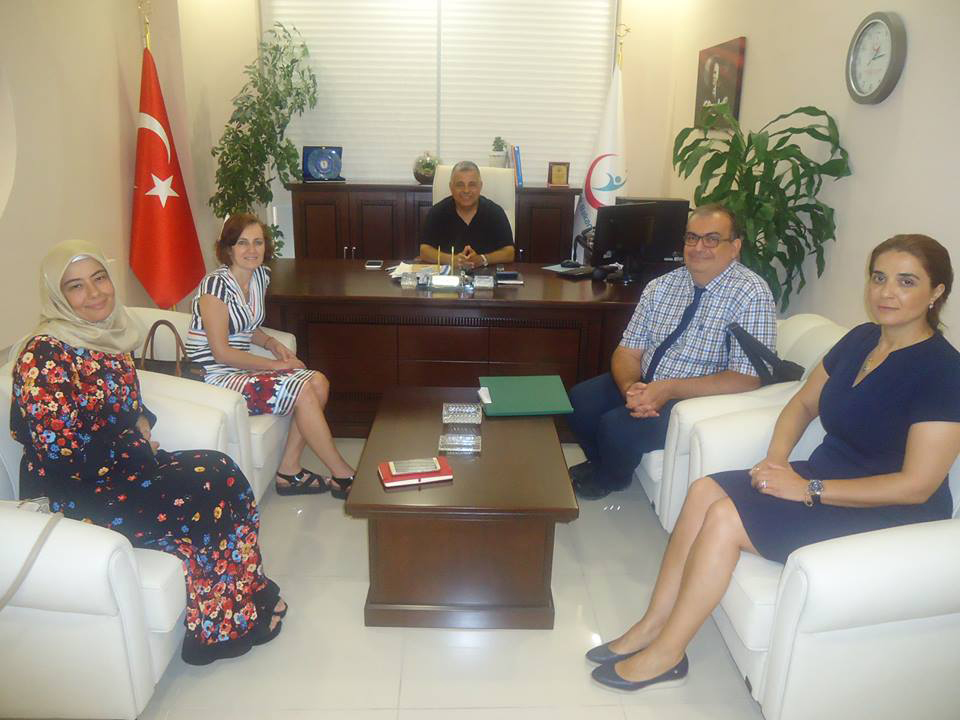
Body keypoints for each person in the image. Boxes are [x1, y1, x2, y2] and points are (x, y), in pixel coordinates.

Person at [587, 234, 960, 692]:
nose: (886, 292)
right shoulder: (862, 339)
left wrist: (807, 489)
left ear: (936, 292)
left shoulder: (943, 371)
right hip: (825, 477)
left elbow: (917, 485)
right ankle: (652, 624)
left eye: (906, 282)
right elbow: (801, 404)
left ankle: (668, 654)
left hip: (889, 510)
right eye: (879, 278)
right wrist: (775, 461)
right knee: (705, 489)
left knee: (725, 518)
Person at [10, 240, 285, 666]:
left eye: (99, 278)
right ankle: (217, 633)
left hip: (123, 468)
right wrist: (133, 445)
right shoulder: (44, 354)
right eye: (76, 286)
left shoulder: (106, 335)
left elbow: (126, 405)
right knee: (204, 493)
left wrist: (140, 421)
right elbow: (61, 452)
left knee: (222, 469)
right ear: (57, 296)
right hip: (76, 490)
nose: (95, 293)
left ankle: (248, 591)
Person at [567, 204, 777, 499]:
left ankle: (611, 478)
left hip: (695, 398)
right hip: (646, 382)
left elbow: (748, 377)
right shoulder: (662, 286)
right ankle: (601, 462)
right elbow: (627, 351)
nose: (699, 247)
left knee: (616, 428)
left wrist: (668, 389)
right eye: (692, 238)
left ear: (735, 247)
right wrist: (631, 387)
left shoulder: (752, 293)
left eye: (712, 239)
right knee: (580, 401)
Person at [186, 213, 355, 497]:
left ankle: (288, 471)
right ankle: (342, 474)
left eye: (258, 242)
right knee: (302, 389)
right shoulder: (214, 286)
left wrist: (273, 343)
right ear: (228, 249)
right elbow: (221, 352)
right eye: (242, 243)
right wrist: (275, 365)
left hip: (239, 370)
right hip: (213, 375)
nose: (252, 250)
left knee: (318, 381)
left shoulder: (259, 277)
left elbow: (246, 326)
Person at [419, 160, 515, 268]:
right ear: (451, 187)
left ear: (480, 186)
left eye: (472, 185)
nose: (466, 190)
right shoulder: (437, 212)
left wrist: (483, 259)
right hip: (448, 275)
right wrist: (452, 260)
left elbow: (509, 252)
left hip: (487, 275)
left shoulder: (495, 212)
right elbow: (424, 251)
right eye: (460, 185)